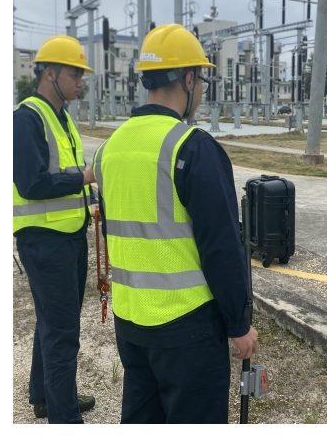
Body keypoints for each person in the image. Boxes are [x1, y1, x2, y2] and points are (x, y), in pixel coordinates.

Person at [91, 25, 258, 423]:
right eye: (200, 80)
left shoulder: (109, 149)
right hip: (188, 326)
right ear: (188, 79)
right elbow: (221, 245)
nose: (201, 90)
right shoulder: (192, 147)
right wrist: (239, 324)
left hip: (130, 320)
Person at [13, 35, 97, 423]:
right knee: (63, 332)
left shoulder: (61, 116)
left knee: (53, 322)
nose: (80, 82)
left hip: (69, 234)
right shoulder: (27, 117)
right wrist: (83, 178)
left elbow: (69, 172)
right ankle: (64, 419)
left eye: (82, 75)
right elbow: (32, 183)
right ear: (50, 73)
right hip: (45, 240)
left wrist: (90, 198)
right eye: (74, 74)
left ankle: (45, 397)